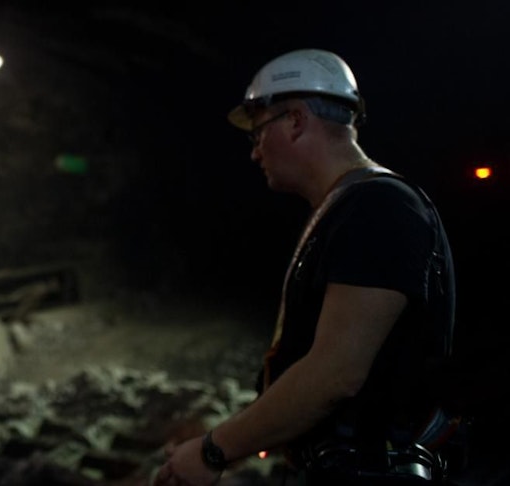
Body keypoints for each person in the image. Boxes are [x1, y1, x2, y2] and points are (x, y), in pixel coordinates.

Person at [153, 49, 461, 485]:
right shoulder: (346, 208)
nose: (255, 152)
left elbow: (334, 375)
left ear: (296, 120)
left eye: (258, 132)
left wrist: (213, 451)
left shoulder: (380, 208)